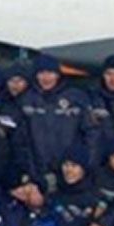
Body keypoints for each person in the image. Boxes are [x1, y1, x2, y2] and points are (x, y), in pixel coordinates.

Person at [17, 54, 93, 188]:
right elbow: (21, 139)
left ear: (58, 75)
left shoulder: (76, 97)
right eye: (41, 73)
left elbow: (91, 133)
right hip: (38, 171)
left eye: (50, 73)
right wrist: (29, 169)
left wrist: (86, 164)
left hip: (70, 171)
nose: (46, 78)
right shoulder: (26, 99)